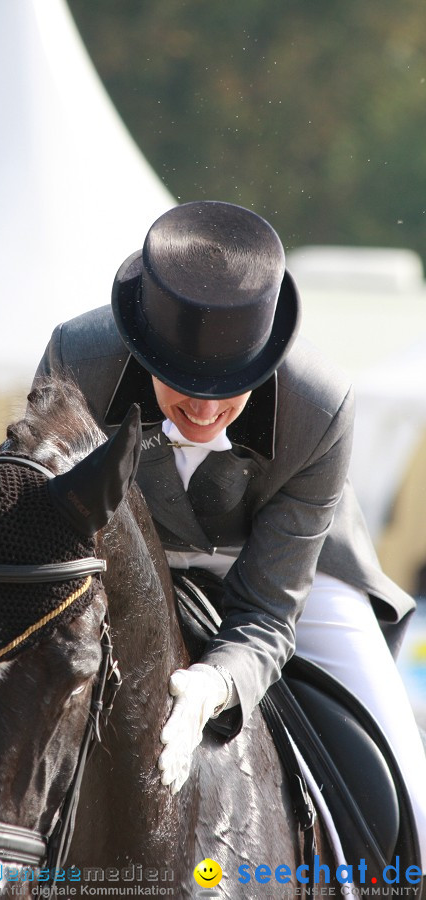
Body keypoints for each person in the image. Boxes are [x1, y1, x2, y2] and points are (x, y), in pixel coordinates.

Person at [34, 200, 426, 867]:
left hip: (292, 569)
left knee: (411, 788)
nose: (206, 410)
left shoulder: (320, 403)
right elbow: (42, 535)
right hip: (120, 552)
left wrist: (217, 683)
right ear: (141, 346)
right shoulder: (79, 359)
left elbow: (270, 609)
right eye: (184, 384)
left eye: (231, 388)